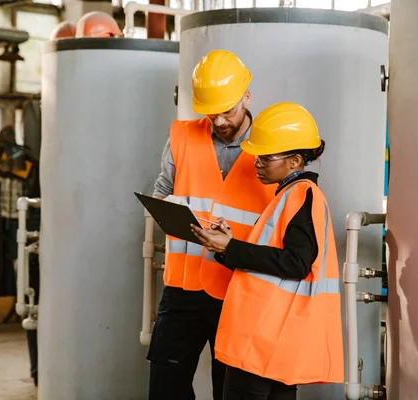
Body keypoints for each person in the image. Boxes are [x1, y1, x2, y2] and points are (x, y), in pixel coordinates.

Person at [191, 102, 345, 399]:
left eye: (266, 157)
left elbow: (297, 263)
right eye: (257, 156)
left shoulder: (301, 195)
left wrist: (232, 248)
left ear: (295, 160)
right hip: (269, 341)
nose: (257, 163)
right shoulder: (292, 196)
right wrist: (228, 246)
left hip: (265, 341)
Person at [148, 49, 275, 400]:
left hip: (240, 289)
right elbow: (162, 194)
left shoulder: (271, 145)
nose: (219, 121)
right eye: (210, 113)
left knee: (232, 391)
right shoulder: (182, 136)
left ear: (247, 96)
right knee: (165, 385)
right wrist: (168, 210)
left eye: (227, 111)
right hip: (182, 289)